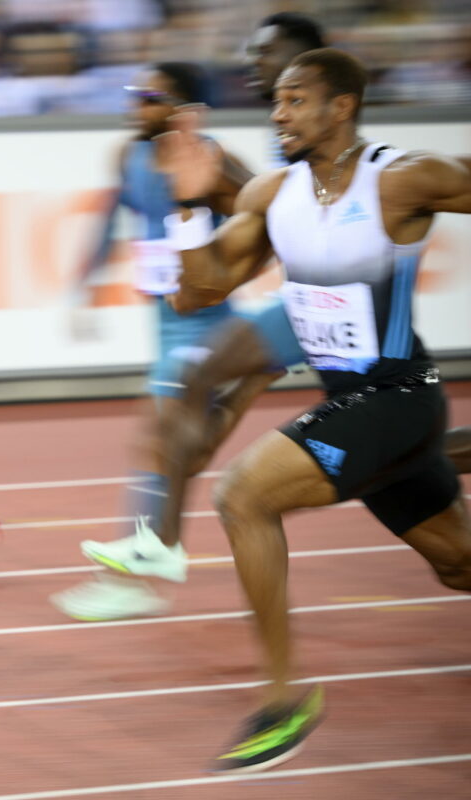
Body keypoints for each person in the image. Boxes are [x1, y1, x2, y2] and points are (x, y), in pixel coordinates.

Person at [157, 48, 471, 772]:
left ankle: (281, 703)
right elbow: (194, 292)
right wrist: (190, 204)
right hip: (353, 409)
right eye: (275, 100)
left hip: (397, 398)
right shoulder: (272, 195)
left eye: (295, 99)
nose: (277, 112)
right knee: (457, 565)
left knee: (242, 495)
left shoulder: (403, 178)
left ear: (341, 107)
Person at [49, 16, 331, 620]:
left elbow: (265, 224)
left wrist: (218, 266)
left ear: (180, 106)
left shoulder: (213, 159)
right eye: (134, 95)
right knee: (185, 447)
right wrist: (86, 279)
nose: (137, 106)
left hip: (206, 317)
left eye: (149, 97)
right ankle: (146, 559)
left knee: (162, 439)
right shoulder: (129, 155)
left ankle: (135, 576)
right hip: (167, 320)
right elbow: (108, 219)